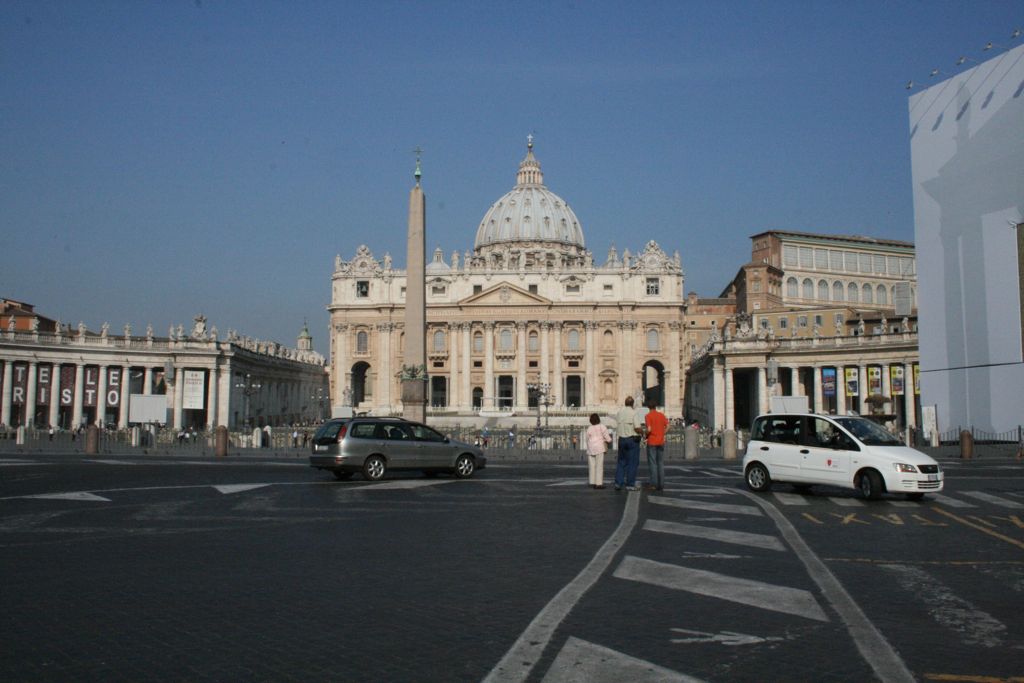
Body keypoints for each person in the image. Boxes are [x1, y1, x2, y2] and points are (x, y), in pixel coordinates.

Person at [613, 397, 644, 491]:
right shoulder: (634, 413)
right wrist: (643, 432)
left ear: (625, 403)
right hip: (632, 440)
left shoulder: (619, 413)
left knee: (621, 462)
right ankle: (630, 484)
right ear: (633, 404)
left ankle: (618, 483)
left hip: (621, 439)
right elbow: (637, 427)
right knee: (632, 463)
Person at [643, 399, 669, 491]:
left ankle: (654, 484)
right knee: (660, 463)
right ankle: (661, 484)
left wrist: (645, 434)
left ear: (648, 407)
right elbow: (668, 426)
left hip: (652, 441)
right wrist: (663, 433)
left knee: (653, 463)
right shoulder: (661, 415)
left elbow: (649, 429)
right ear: (656, 406)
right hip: (661, 441)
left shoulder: (648, 416)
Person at [585, 413, 612, 489]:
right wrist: (609, 440)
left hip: (591, 448)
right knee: (599, 466)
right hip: (599, 447)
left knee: (592, 466)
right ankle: (599, 483)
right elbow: (607, 437)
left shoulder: (589, 428)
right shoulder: (602, 426)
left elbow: (587, 438)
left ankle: (592, 481)